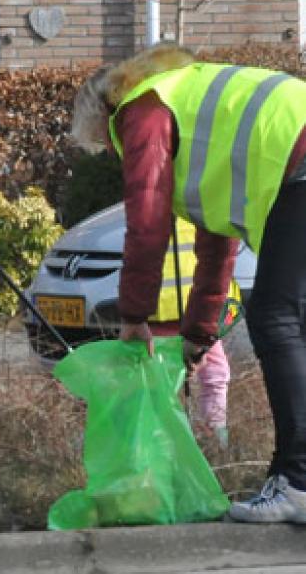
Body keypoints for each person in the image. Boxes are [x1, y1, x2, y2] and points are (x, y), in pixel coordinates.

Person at [72, 43, 306, 523]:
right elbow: (216, 243)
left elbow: (147, 224)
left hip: (299, 159)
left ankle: (298, 483)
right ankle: (292, 479)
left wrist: (134, 316)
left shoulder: (143, 109)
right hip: (297, 152)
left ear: (103, 114)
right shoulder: (190, 102)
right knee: (295, 319)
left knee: (275, 317)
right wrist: (199, 334)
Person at [150, 217, 238, 448]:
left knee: (215, 374)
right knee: (163, 383)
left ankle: (215, 443)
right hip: (167, 309)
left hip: (201, 309)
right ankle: (164, 450)